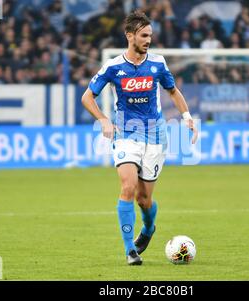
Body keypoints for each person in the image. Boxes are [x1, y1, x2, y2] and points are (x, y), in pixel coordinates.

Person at [81, 10, 198, 265]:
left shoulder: (158, 63)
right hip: (125, 133)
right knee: (128, 187)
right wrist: (102, 118)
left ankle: (148, 229)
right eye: (144, 35)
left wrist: (187, 116)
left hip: (155, 135)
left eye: (150, 35)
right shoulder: (113, 67)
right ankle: (129, 250)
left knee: (144, 199)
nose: (148, 40)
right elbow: (87, 96)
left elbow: (173, 91)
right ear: (130, 36)